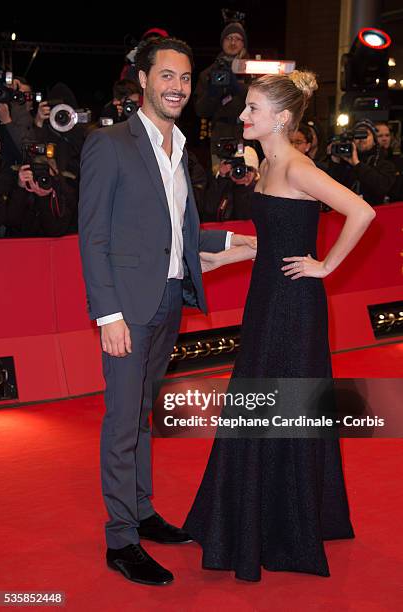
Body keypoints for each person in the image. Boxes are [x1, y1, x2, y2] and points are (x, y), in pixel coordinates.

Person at [184, 70, 376, 581]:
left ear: (282, 118)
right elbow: (276, 238)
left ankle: (282, 529)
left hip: (293, 306)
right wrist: (228, 260)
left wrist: (326, 266)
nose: (243, 116)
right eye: (245, 107)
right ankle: (249, 520)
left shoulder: (294, 165)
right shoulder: (266, 162)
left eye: (252, 109)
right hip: (266, 298)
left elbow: (361, 211)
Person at [78, 36, 256, 587]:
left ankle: (144, 511)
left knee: (143, 418)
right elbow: (93, 237)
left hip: (167, 306)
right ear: (143, 81)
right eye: (167, 76)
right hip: (127, 310)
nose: (178, 86)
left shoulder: (182, 148)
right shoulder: (109, 144)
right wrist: (107, 316)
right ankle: (121, 539)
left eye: (184, 77)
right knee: (121, 423)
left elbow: (181, 232)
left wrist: (244, 239)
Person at [194, 21, 250, 170]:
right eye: (228, 38)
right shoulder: (208, 73)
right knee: (220, 181)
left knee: (248, 180)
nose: (233, 42)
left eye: (237, 38)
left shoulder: (254, 69)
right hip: (220, 138)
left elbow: (267, 102)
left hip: (249, 135)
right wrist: (213, 94)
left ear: (244, 43)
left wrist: (238, 88)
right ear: (222, 42)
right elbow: (200, 111)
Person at [324, 118, 396, 205]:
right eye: (357, 136)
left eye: (365, 135)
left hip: (375, 213)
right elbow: (331, 190)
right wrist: (335, 162)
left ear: (374, 140)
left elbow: (381, 187)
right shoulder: (345, 162)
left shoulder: (385, 163)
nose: (361, 139)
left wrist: (357, 164)